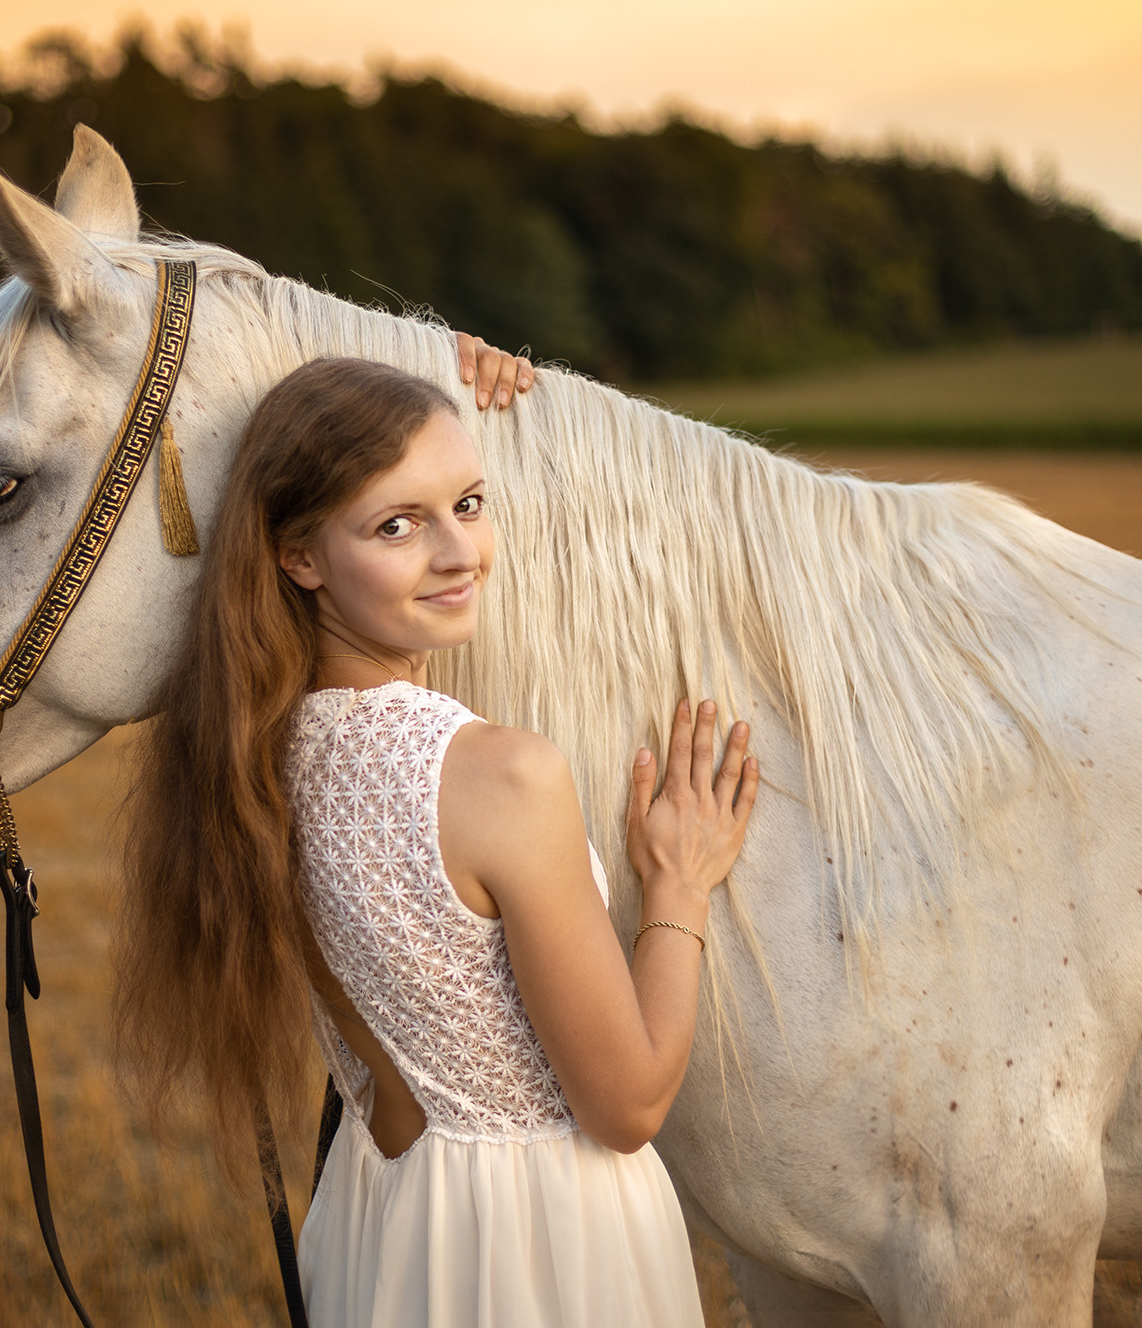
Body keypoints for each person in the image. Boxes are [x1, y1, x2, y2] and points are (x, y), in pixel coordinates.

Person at [119, 354, 759, 1326]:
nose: (459, 552)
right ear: (297, 555)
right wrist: (678, 883)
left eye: (467, 502)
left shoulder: (254, 755)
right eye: (397, 525)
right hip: (539, 1242)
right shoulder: (501, 776)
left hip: (378, 1223)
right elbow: (625, 1107)